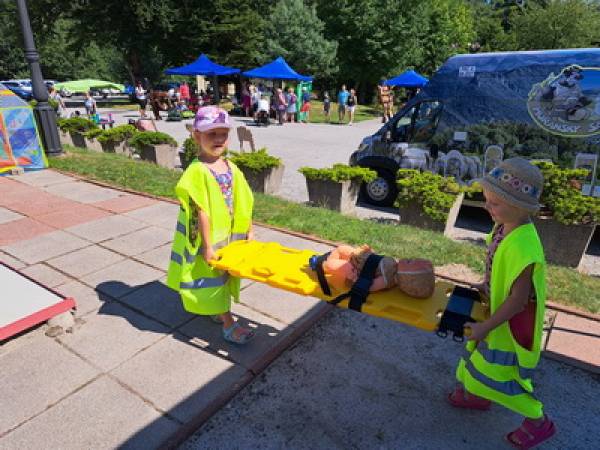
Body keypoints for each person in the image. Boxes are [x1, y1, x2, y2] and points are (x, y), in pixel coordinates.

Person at [448, 157, 556, 449]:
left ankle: (538, 422)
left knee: (504, 377)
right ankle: (478, 394)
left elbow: (519, 301)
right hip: (496, 314)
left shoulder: (525, 245)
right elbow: (497, 265)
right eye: (487, 200)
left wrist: (485, 327)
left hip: (510, 326)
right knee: (479, 360)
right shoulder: (503, 226)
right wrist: (486, 284)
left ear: (519, 207)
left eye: (494, 203)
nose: (487, 207)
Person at [167, 106, 256, 345]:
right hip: (210, 239)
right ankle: (229, 324)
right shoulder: (197, 171)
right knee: (214, 279)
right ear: (196, 135)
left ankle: (218, 311)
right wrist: (207, 246)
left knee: (224, 277)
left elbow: (244, 199)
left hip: (228, 236)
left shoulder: (230, 167)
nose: (218, 139)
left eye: (223, 134)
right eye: (211, 134)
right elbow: (202, 211)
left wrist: (248, 227)